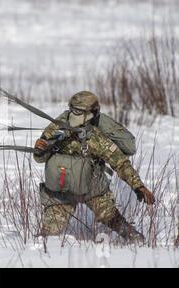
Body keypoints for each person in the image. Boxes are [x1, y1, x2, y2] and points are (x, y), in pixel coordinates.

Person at [33, 91, 155, 242]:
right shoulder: (57, 127)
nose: (74, 115)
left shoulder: (96, 137)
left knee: (112, 218)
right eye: (73, 110)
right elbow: (40, 158)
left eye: (78, 111)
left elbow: (120, 162)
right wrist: (39, 149)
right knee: (46, 236)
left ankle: (137, 240)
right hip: (61, 190)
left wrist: (138, 186)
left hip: (92, 189)